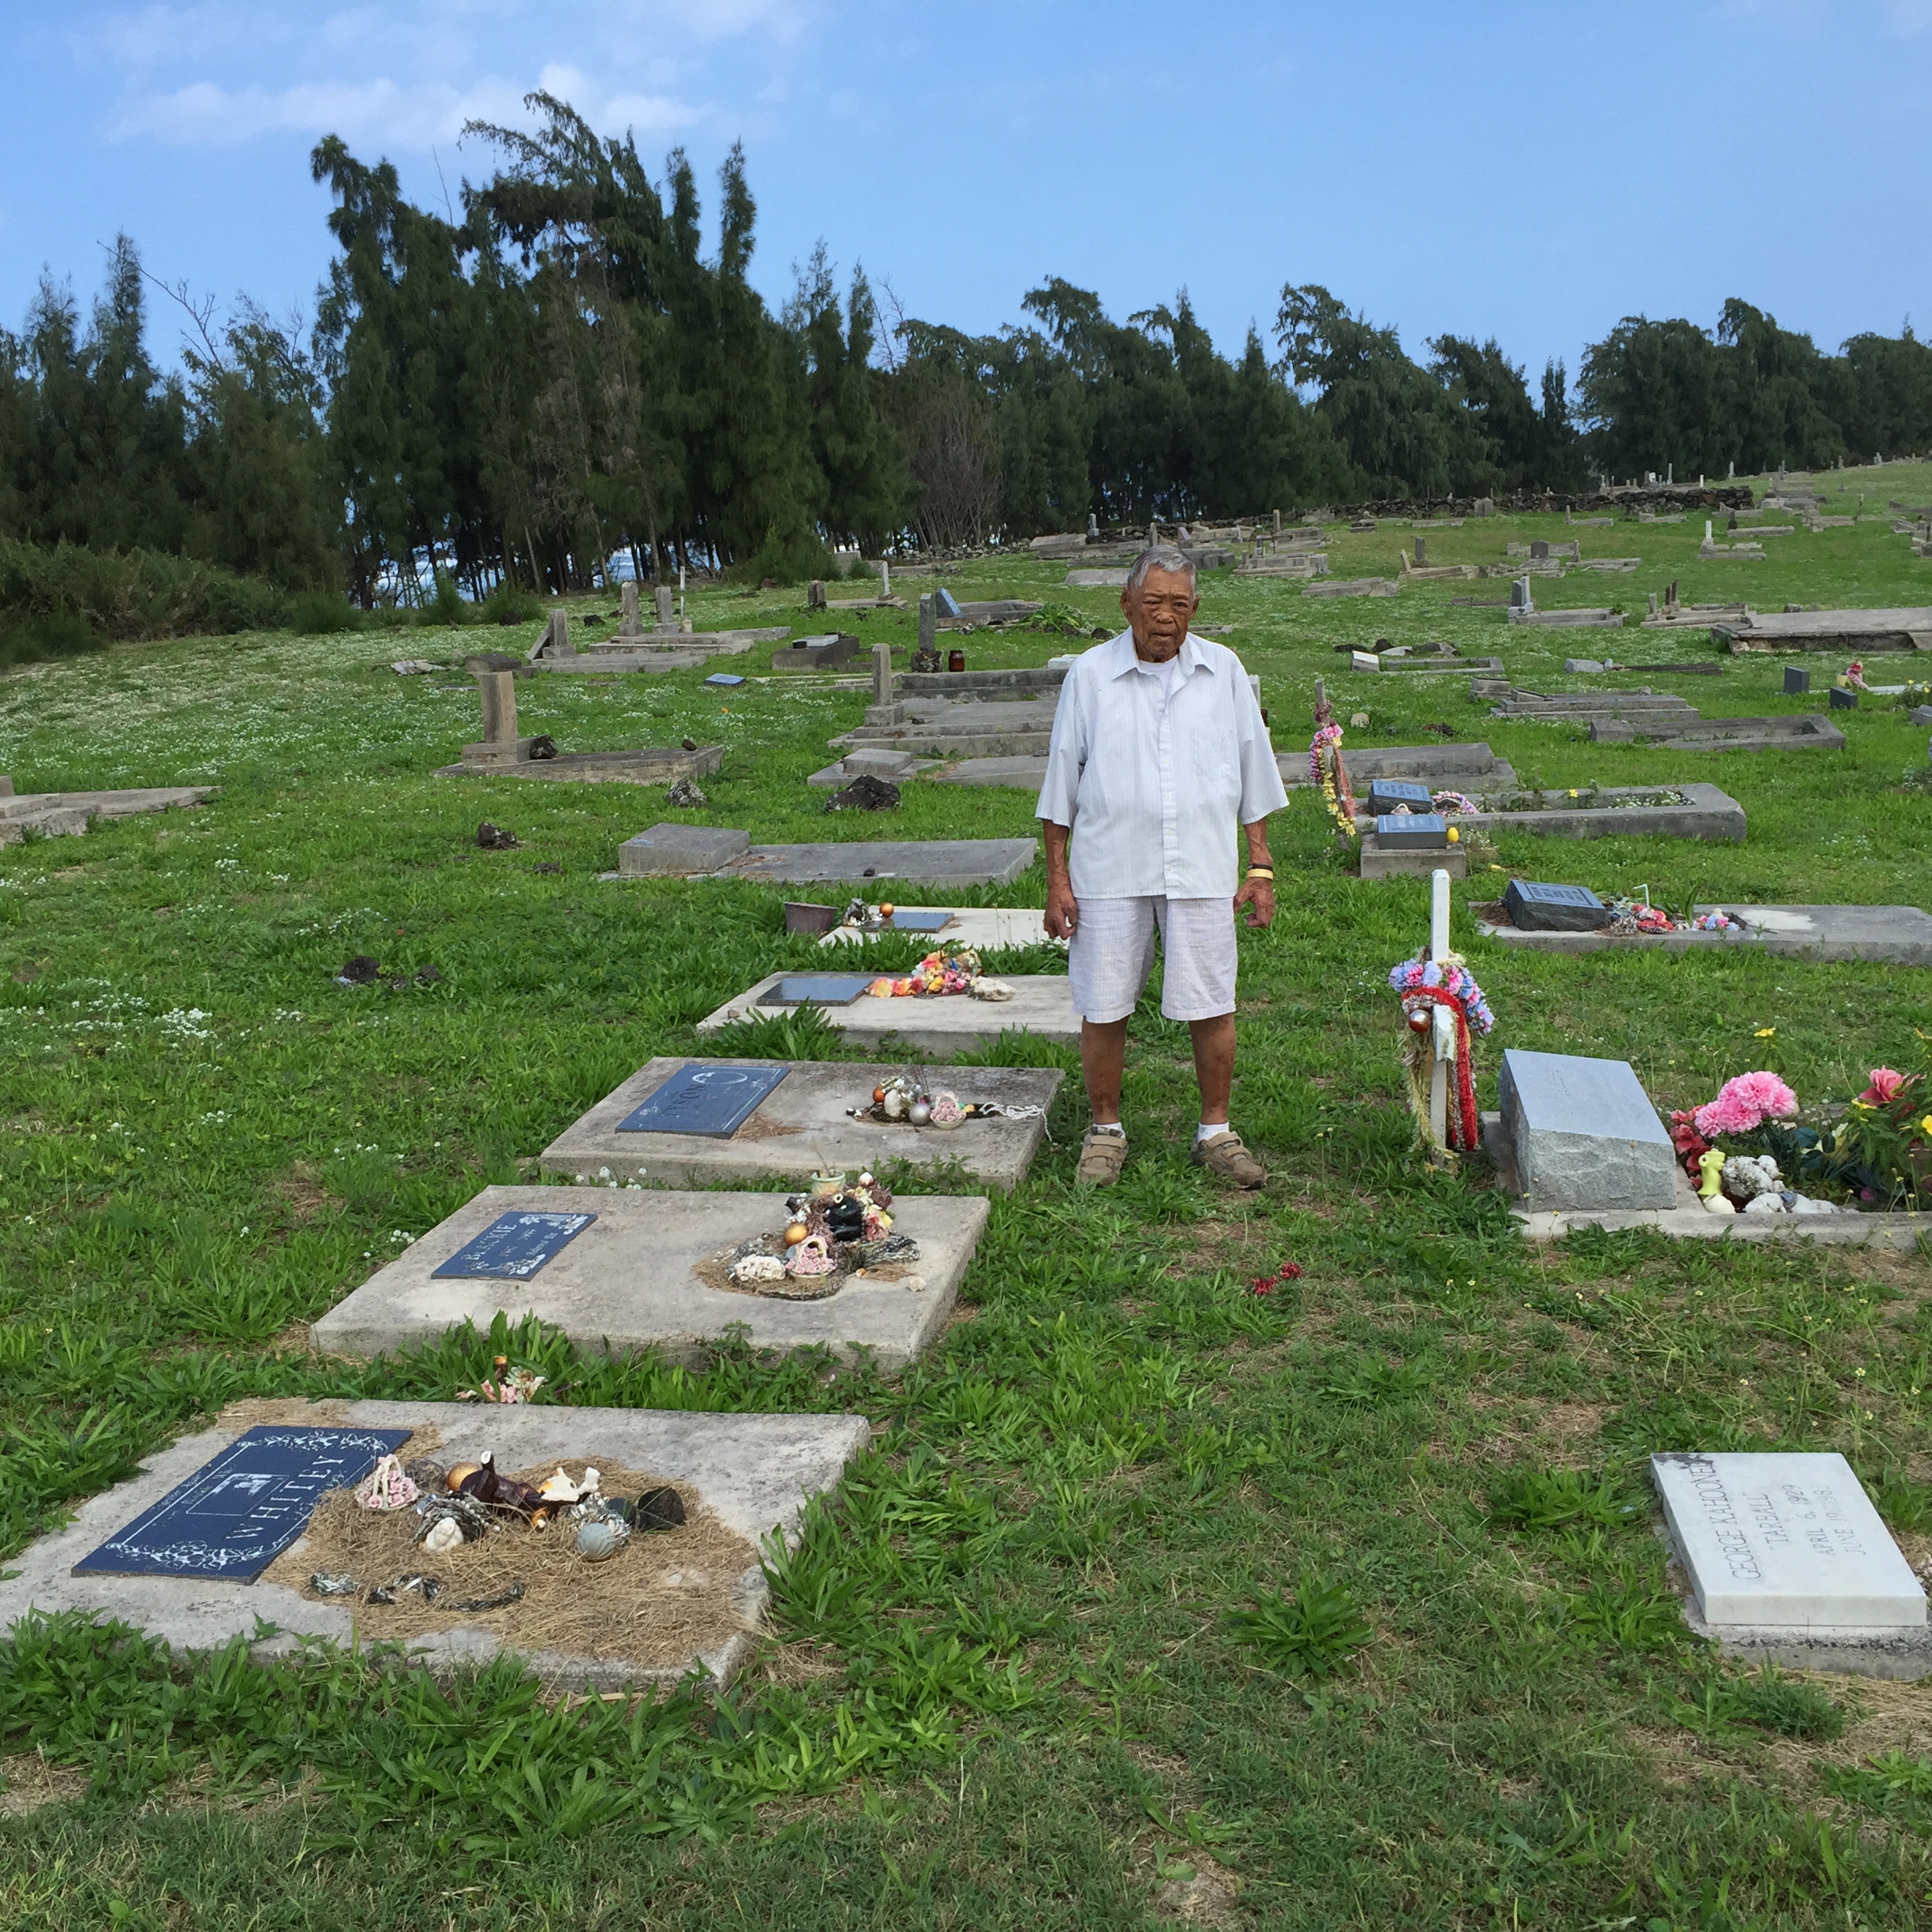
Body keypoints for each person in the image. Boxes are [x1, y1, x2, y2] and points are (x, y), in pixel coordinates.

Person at [1035, 545, 1287, 1188]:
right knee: (1105, 1001)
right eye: (1153, 603)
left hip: (1200, 866)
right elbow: (1060, 787)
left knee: (1212, 1001)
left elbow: (1253, 775)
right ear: (1126, 605)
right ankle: (1104, 1130)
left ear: (1195, 608)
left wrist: (1259, 866)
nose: (1166, 618)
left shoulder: (1224, 672)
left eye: (1179, 604)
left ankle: (1215, 1131)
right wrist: (1057, 879)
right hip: (1109, 868)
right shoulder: (1089, 678)